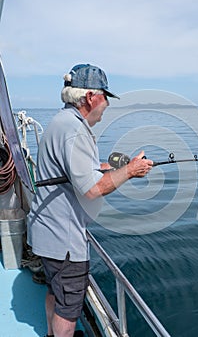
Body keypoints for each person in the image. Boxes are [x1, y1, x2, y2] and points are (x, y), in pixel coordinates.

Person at [27, 63, 153, 337]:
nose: (107, 103)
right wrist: (131, 171)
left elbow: (74, 169)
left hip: (48, 232)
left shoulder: (63, 121)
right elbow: (93, 189)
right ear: (90, 97)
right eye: (105, 95)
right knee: (69, 307)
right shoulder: (75, 130)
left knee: (55, 291)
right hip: (64, 238)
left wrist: (109, 167)